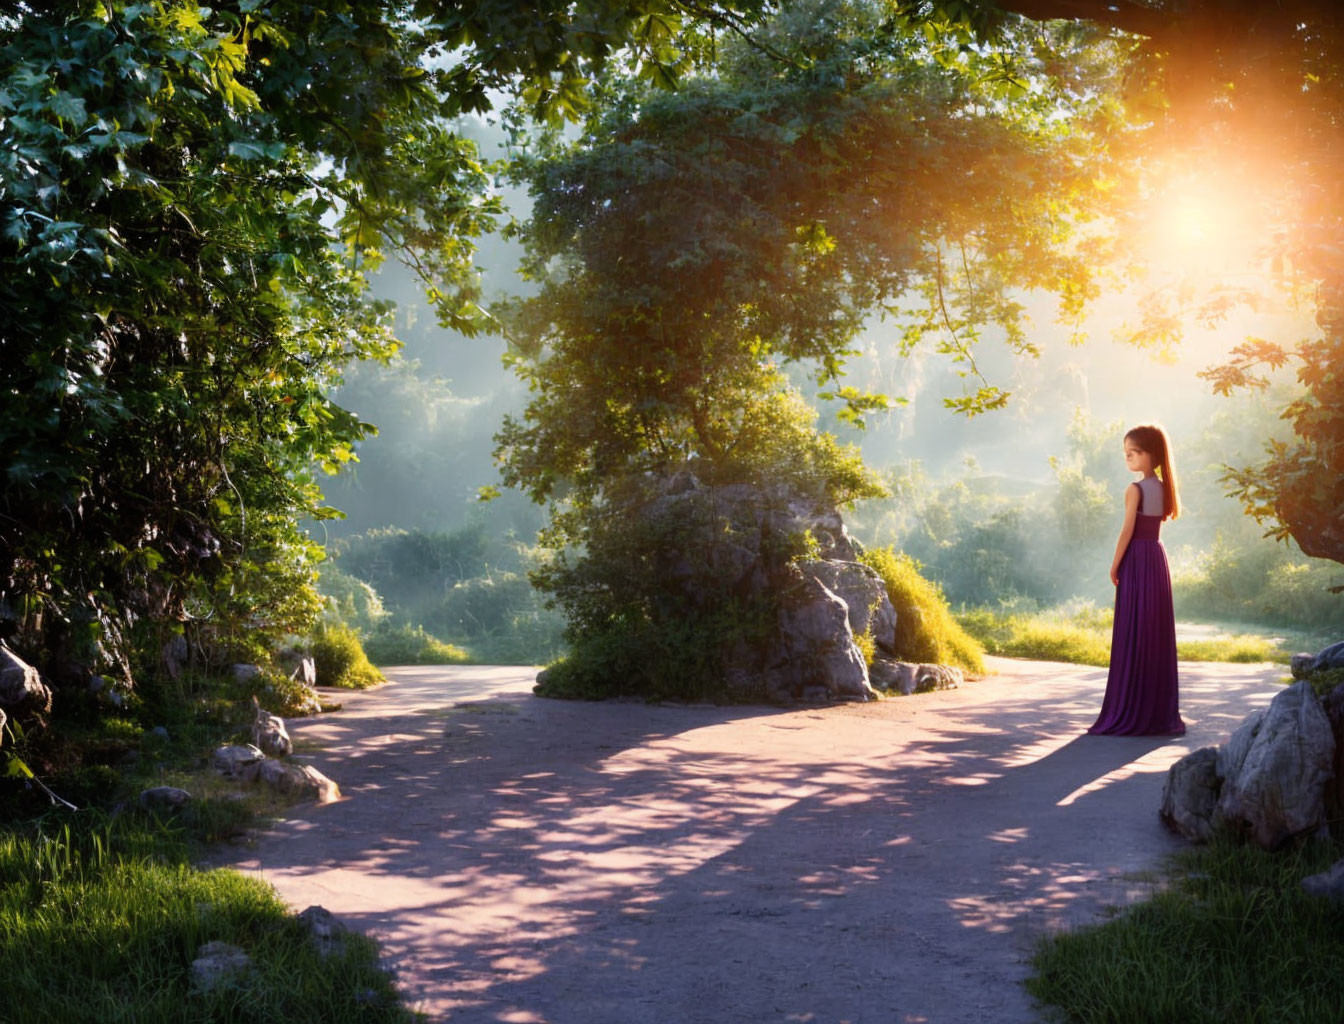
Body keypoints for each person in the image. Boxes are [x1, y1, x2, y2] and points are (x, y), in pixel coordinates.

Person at [1088, 423, 1186, 736]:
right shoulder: (1165, 487)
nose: (1128, 459)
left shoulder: (1135, 489)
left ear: (1151, 455)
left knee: (1134, 631)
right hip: (1156, 558)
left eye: (1134, 453)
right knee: (1153, 632)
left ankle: (1131, 708)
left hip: (1137, 560)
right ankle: (1156, 712)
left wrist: (1114, 565)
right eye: (1126, 454)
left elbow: (1127, 531)